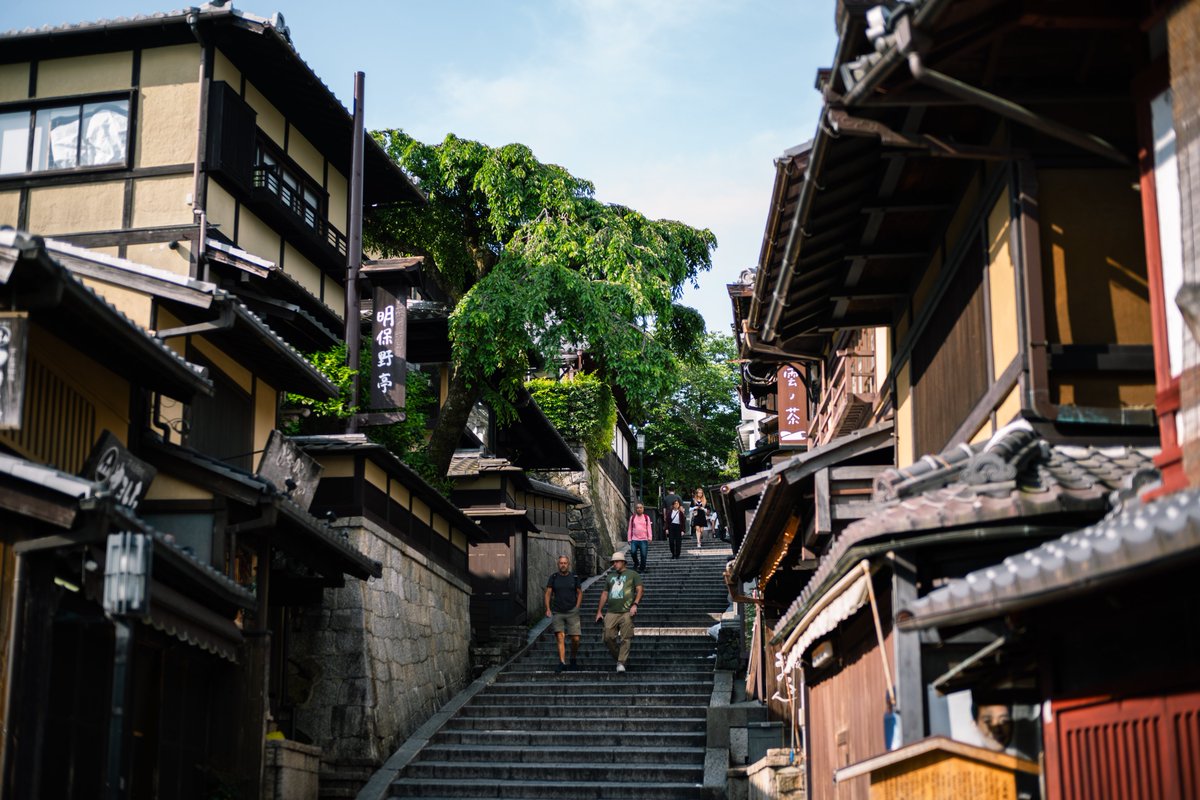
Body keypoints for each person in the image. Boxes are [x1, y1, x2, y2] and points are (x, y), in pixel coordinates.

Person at [594, 551, 642, 672]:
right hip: (611, 611)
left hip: (626, 611)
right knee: (607, 637)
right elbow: (605, 594)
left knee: (626, 638)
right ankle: (620, 658)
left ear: (623, 562)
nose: (614, 564)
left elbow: (640, 590)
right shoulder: (610, 577)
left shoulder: (633, 574)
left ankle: (621, 662)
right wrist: (599, 611)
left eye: (616, 561)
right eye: (613, 562)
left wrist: (635, 604)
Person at [544, 554, 583, 672]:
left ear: (568, 564)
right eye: (561, 563)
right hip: (558, 611)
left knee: (576, 638)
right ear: (558, 564)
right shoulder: (554, 577)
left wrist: (577, 606)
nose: (563, 565)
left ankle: (573, 658)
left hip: (572, 611)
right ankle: (562, 662)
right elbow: (548, 593)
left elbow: (580, 593)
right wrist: (548, 608)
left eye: (565, 563)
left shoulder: (574, 577)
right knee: (560, 637)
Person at [626, 502, 653, 572]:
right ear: (636, 509)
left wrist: (650, 537)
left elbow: (649, 528)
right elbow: (630, 528)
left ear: (643, 509)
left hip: (644, 539)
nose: (639, 509)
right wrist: (629, 538)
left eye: (641, 508)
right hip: (634, 539)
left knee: (643, 555)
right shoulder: (633, 517)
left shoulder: (646, 517)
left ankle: (642, 568)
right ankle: (636, 562)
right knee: (633, 552)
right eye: (637, 508)